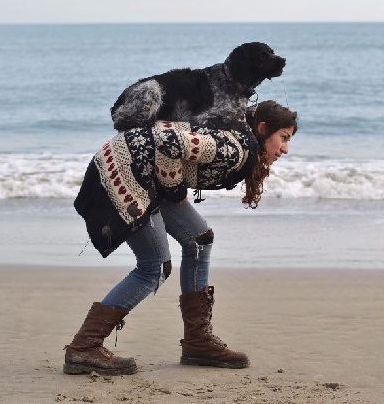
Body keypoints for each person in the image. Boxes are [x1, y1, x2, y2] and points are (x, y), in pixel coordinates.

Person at [64, 100, 298, 375]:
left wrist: (172, 188)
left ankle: (198, 342)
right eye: (283, 138)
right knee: (155, 266)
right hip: (129, 169)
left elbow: (172, 146)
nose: (285, 149)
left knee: (200, 239)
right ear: (262, 128)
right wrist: (175, 190)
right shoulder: (234, 147)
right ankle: (85, 346)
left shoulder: (240, 140)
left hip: (150, 171)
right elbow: (167, 143)